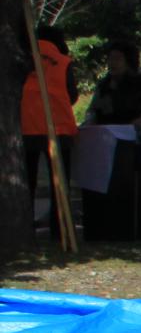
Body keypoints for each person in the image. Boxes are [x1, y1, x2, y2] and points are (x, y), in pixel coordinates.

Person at [21, 26, 77, 242]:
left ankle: (25, 229)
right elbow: (72, 94)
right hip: (59, 128)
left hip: (27, 128)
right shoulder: (63, 61)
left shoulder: (23, 60)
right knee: (59, 184)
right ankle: (60, 229)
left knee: (28, 182)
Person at [86, 40, 141, 129]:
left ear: (129, 62)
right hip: (110, 136)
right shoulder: (104, 85)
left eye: (117, 59)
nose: (112, 63)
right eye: (110, 58)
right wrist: (90, 120)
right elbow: (93, 111)